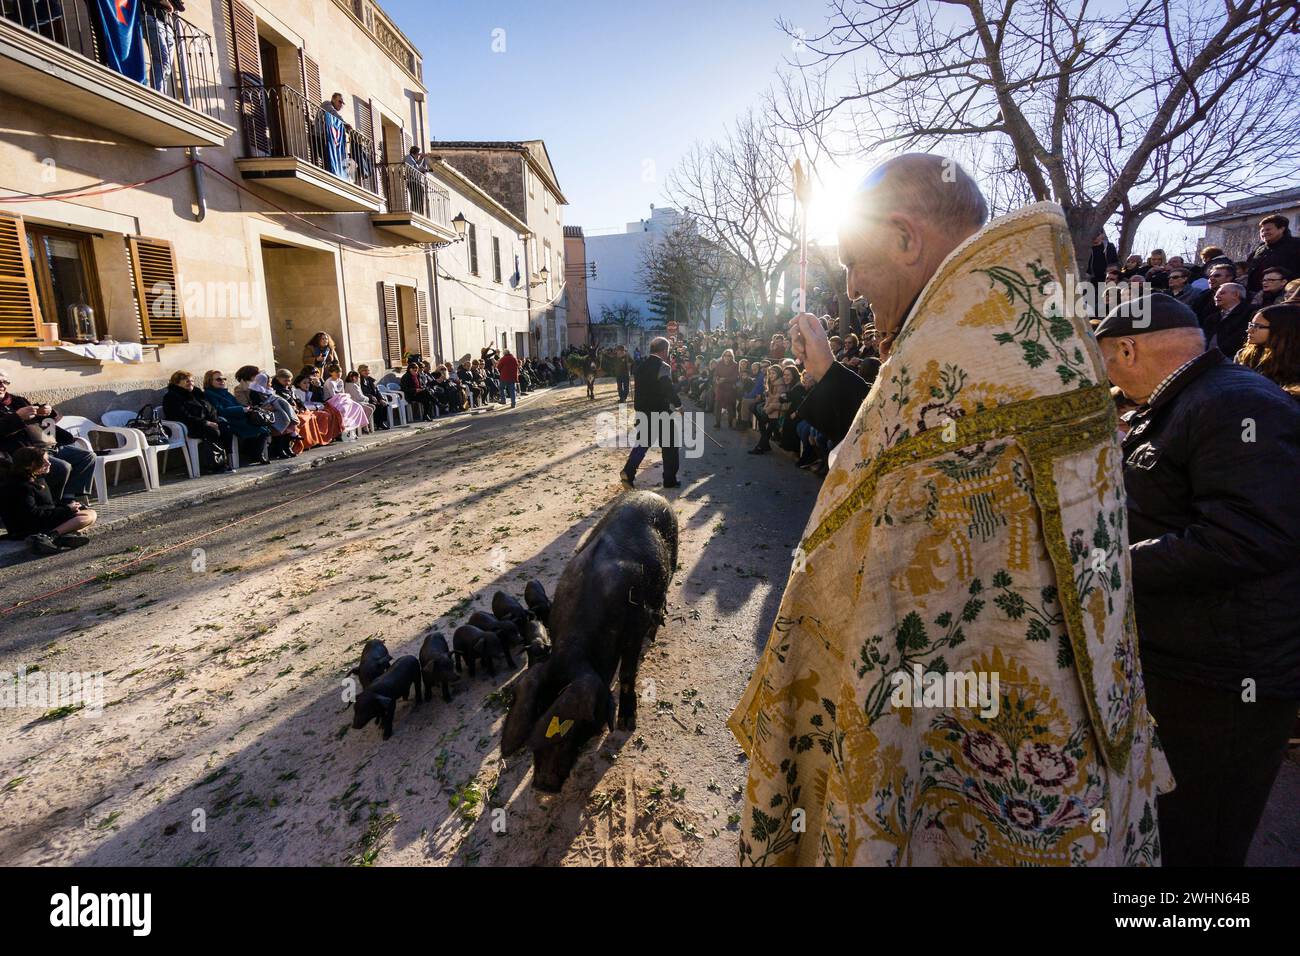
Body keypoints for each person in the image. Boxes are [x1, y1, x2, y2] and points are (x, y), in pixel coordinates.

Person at [729, 154, 1169, 866]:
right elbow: (915, 451)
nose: (852, 285)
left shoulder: (945, 357)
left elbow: (880, 493)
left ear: (906, 240)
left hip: (972, 743)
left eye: (856, 262)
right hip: (1067, 737)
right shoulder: (1037, 341)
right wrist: (829, 379)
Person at [1095, 294, 1300, 866]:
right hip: (1192, 662)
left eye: (1105, 360)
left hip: (1224, 678)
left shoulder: (1233, 405)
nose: (1105, 377)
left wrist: (1109, 567)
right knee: (1168, 826)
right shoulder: (1194, 400)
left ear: (1129, 348)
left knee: (1198, 837)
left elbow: (1248, 535)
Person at [0, 376, 95, 503]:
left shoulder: (18, 400)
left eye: (5, 382)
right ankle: (51, 504)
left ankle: (69, 497)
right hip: (24, 452)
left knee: (87, 457)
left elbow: (50, 421)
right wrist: (18, 417)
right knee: (62, 467)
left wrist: (48, 412)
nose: (2, 385)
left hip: (49, 445)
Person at [0, 447, 97, 555]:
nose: (49, 463)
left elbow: (47, 504)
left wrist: (69, 506)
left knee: (89, 513)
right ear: (30, 465)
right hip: (28, 528)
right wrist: (66, 509)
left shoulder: (37, 479)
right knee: (88, 516)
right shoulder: (20, 486)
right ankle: (51, 536)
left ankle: (58, 536)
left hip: (44, 520)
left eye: (48, 459)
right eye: (43, 461)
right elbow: (32, 515)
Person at [620, 336, 681, 489]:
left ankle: (628, 471)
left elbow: (637, 390)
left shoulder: (640, 365)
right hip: (660, 411)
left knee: (643, 443)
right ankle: (669, 480)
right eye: (668, 350)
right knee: (670, 445)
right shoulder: (663, 366)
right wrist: (679, 405)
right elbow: (667, 388)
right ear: (664, 350)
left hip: (642, 410)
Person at [163, 370, 234, 473]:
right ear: (177, 383)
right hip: (189, 426)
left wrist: (215, 421)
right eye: (187, 381)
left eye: (192, 381)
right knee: (212, 431)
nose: (191, 383)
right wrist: (206, 422)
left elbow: (210, 408)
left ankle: (227, 461)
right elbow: (181, 416)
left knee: (225, 427)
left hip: (204, 422)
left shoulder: (196, 393)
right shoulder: (172, 397)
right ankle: (214, 466)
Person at [204, 370, 272, 464]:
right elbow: (220, 411)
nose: (222, 381)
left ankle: (256, 453)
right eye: (218, 379)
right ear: (209, 381)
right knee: (259, 429)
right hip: (229, 420)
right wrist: (242, 409)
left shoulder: (226, 392)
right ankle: (256, 454)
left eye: (224, 379)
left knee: (263, 427)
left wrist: (248, 409)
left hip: (240, 417)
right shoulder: (209, 394)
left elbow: (236, 404)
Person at [233, 366, 299, 459]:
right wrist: (264, 407)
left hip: (268, 411)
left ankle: (285, 446)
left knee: (283, 414)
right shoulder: (240, 389)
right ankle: (279, 448)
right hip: (256, 414)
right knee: (280, 417)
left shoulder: (263, 386)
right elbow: (245, 405)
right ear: (250, 376)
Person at [1236, 303, 1300, 399]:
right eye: (1251, 325)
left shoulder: (1295, 362)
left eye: (1257, 326)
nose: (1249, 330)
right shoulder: (1244, 355)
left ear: (1281, 330)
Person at [1244, 214, 1300, 294]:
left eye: (1268, 230)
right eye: (1262, 231)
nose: (1264, 233)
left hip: (1287, 294)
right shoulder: (1259, 249)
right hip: (1257, 296)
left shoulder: (1296, 245)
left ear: (1281, 229)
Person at [320, 364, 369, 437]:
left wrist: (346, 399)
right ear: (331, 373)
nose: (339, 374)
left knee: (357, 406)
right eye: (336, 372)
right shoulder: (329, 382)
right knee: (344, 409)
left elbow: (343, 393)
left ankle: (359, 426)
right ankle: (343, 430)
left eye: (340, 372)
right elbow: (333, 396)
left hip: (341, 399)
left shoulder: (340, 381)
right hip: (331, 401)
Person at [1207, 281, 1252, 358]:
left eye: (1222, 293)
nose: (1216, 296)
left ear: (1236, 295)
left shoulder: (1250, 313)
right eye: (1216, 294)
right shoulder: (1212, 318)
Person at [712, 349, 739, 429]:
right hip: (720, 387)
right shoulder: (719, 363)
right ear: (723, 356)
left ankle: (730, 422)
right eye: (725, 355)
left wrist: (725, 379)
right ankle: (717, 423)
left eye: (729, 355)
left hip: (730, 388)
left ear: (732, 357)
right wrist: (717, 378)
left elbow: (735, 378)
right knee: (718, 405)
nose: (727, 357)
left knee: (729, 406)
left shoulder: (735, 365)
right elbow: (715, 374)